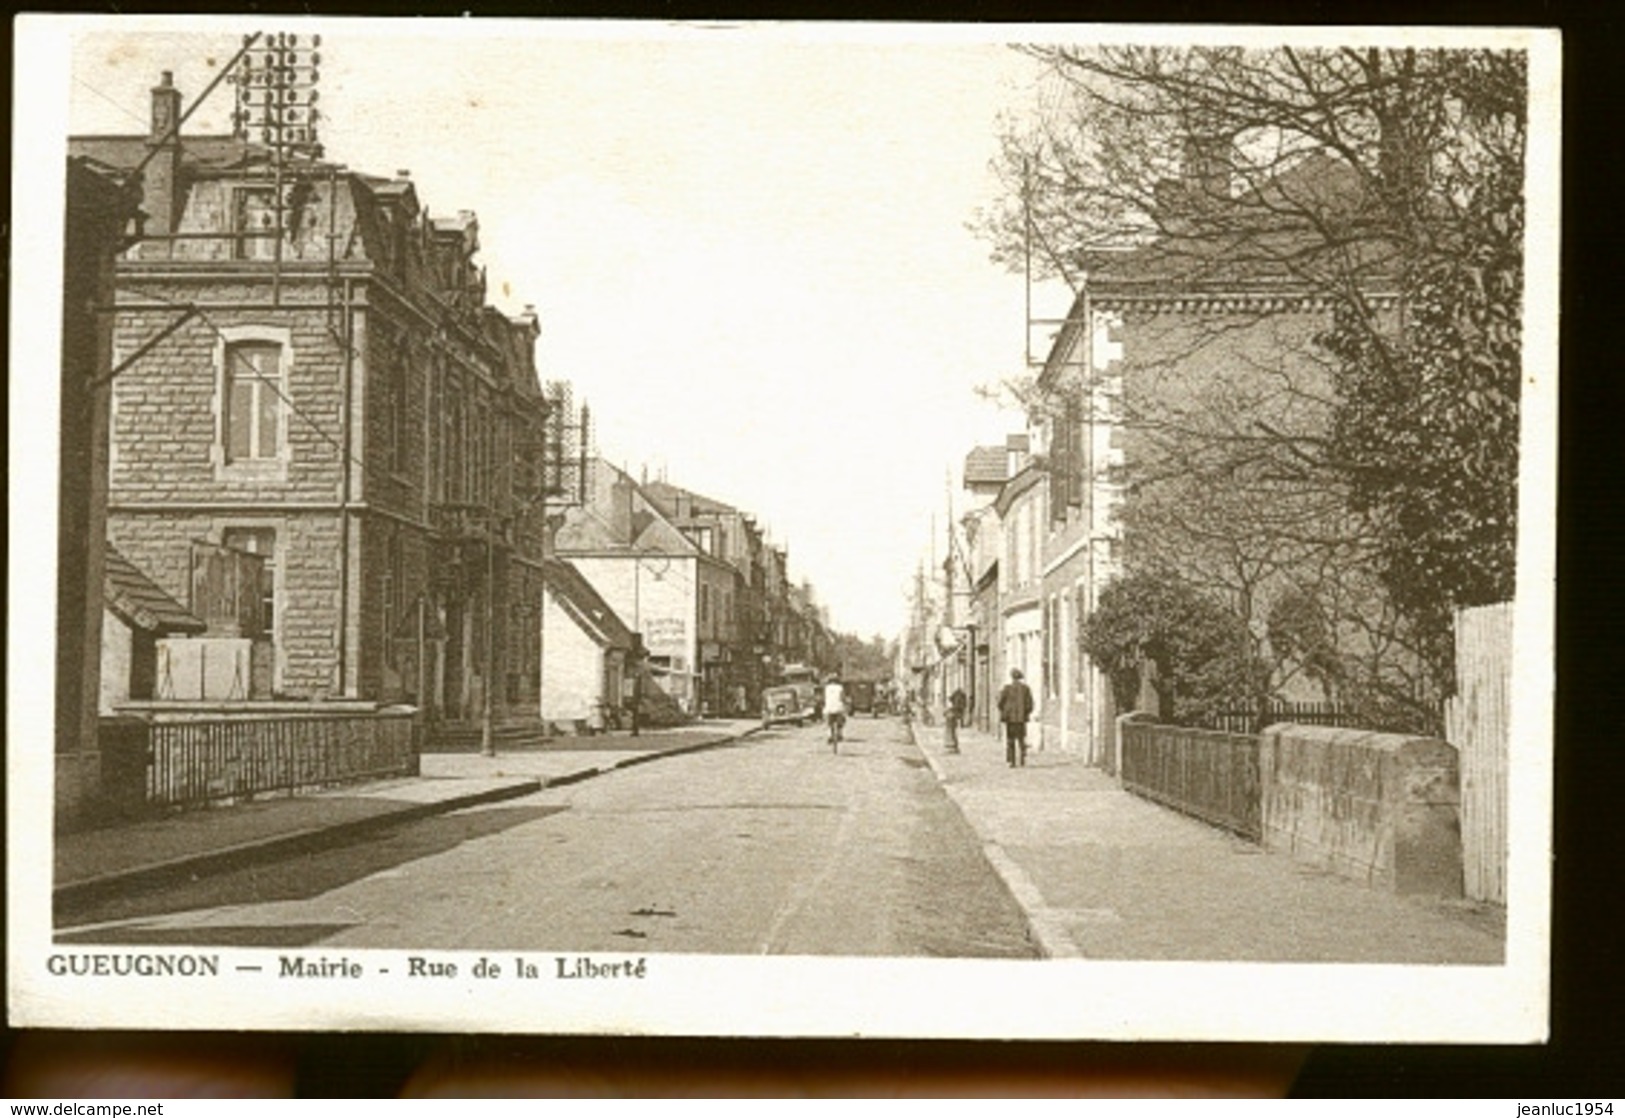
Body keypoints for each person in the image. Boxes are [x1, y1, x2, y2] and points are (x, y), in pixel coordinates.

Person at [997, 668, 1034, 767]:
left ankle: (1012, 761)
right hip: (1021, 719)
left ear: (1012, 677)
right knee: (1021, 739)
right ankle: (1022, 759)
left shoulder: (1007, 689)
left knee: (1010, 740)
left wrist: (1004, 711)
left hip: (1010, 719)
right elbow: (1030, 704)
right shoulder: (1025, 689)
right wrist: (1025, 713)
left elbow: (1000, 703)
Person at [823, 673, 847, 751]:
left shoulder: (826, 688)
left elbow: (825, 698)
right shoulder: (840, 688)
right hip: (838, 707)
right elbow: (843, 697)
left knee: (828, 723)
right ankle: (839, 733)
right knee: (842, 719)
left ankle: (829, 734)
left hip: (829, 708)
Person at [945, 686, 967, 754]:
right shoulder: (962, 695)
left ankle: (952, 745)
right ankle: (953, 745)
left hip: (956, 710)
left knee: (952, 729)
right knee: (958, 720)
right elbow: (964, 703)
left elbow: (951, 699)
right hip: (959, 709)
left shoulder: (958, 695)